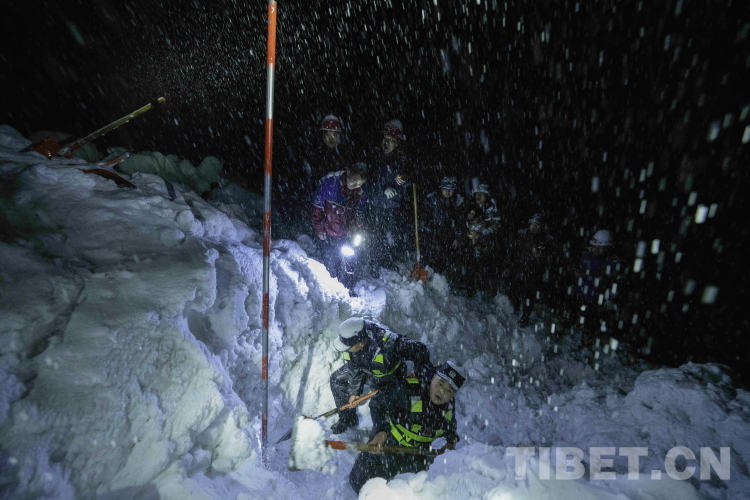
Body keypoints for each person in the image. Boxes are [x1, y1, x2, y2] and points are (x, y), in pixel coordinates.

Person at [347, 361, 465, 494]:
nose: (442, 391)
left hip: (416, 455)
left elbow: (450, 429)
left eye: (449, 390)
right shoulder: (410, 389)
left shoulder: (448, 409)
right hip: (387, 443)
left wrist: (450, 443)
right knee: (358, 482)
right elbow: (378, 402)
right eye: (440, 383)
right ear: (433, 378)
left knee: (408, 491)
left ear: (453, 394)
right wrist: (381, 431)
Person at [329, 317, 433, 434]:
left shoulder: (390, 344)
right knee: (335, 379)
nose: (346, 350)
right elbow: (355, 366)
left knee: (382, 407)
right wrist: (355, 392)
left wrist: (419, 375)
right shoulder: (354, 339)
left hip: (389, 377)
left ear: (361, 343)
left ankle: (390, 431)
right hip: (368, 371)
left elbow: (420, 350)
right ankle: (348, 419)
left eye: (348, 347)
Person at [363, 119, 412, 274]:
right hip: (376, 204)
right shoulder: (374, 158)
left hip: (393, 206)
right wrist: (382, 189)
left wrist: (405, 181)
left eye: (391, 141)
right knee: (375, 235)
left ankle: (386, 259)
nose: (386, 143)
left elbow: (404, 183)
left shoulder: (400, 160)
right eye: (385, 139)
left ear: (397, 143)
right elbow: (366, 183)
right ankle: (373, 262)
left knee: (390, 235)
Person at [311, 163, 368, 290]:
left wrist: (356, 228)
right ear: (348, 172)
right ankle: (331, 290)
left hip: (346, 233)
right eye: (354, 181)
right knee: (330, 265)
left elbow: (359, 213)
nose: (356, 186)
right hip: (328, 230)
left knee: (350, 261)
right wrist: (319, 228)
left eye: (359, 184)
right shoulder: (329, 182)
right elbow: (316, 209)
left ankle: (348, 289)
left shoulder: (359, 192)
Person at [573, 229, 624, 343]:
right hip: (584, 292)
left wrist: (610, 299)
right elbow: (579, 268)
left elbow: (616, 283)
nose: (597, 249)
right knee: (581, 311)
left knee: (593, 318)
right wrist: (578, 274)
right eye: (595, 246)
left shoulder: (613, 262)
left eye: (601, 247)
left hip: (598, 297)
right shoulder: (586, 254)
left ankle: (589, 336)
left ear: (607, 248)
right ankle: (580, 324)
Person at [300, 115, 349, 215]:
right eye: (328, 134)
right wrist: (305, 204)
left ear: (339, 136)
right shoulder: (313, 156)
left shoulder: (345, 156)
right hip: (319, 206)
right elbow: (307, 183)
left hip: (340, 206)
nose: (331, 138)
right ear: (323, 135)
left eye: (334, 135)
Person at [421, 177, 464, 273]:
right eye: (445, 189)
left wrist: (457, 237)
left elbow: (459, 221)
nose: (448, 192)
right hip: (432, 233)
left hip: (448, 234)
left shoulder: (456, 202)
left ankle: (443, 275)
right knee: (431, 256)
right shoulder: (432, 200)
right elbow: (424, 217)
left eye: (451, 190)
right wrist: (425, 231)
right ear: (441, 188)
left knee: (446, 258)